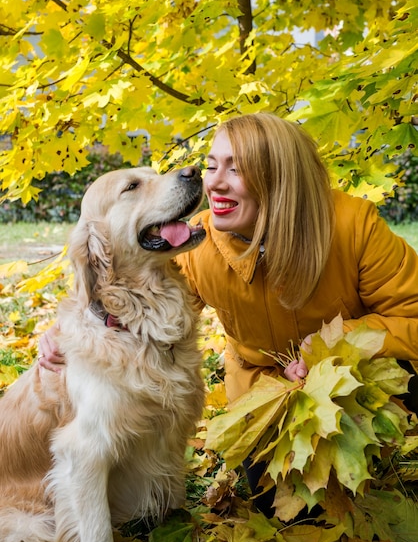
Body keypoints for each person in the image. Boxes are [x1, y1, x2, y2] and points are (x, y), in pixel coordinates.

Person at [39, 113, 418, 517]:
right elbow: (128, 294)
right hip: (266, 401)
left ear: (280, 178)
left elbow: (411, 316)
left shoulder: (353, 226)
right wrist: (67, 330)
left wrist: (336, 345)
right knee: (289, 512)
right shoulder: (197, 243)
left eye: (236, 170)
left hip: (360, 389)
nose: (214, 182)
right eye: (213, 165)